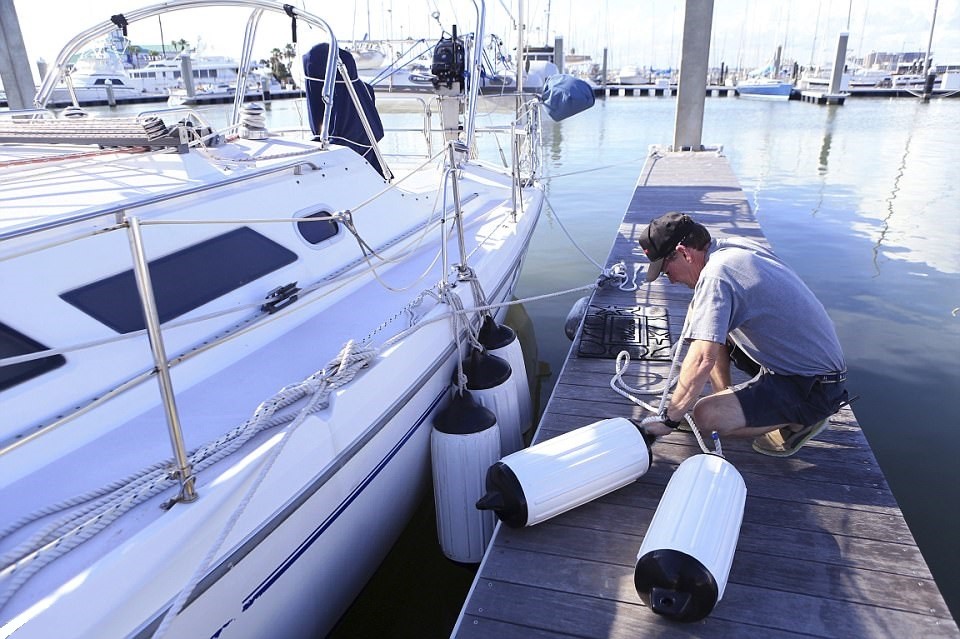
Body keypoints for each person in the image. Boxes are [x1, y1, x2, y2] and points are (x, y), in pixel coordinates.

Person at [637, 212, 848, 457]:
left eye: (665, 270)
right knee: (703, 315)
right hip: (801, 364)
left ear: (684, 253)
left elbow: (702, 359)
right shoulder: (730, 249)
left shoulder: (716, 276)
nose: (670, 280)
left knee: (705, 416)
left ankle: (803, 421)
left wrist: (670, 419)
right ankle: (727, 397)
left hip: (814, 385)